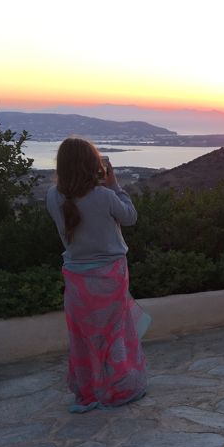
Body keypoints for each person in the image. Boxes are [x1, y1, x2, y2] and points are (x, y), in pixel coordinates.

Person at [46, 138, 148, 413]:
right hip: (110, 274)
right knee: (114, 333)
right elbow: (130, 217)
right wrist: (115, 186)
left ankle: (89, 389)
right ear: (92, 164)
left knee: (84, 336)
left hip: (76, 278)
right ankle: (118, 387)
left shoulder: (52, 196)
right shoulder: (104, 195)